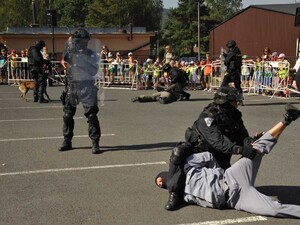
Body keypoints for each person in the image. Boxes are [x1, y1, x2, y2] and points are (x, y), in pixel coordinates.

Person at [156, 103, 300, 218]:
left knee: (256, 148)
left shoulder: (188, 165)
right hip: (235, 199)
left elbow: (209, 157)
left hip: (231, 177)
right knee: (274, 209)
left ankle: (286, 119)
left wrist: (219, 170)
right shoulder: (182, 196)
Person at [164, 86, 256, 211]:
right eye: (234, 100)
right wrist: (239, 150)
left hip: (217, 157)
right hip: (198, 154)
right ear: (224, 101)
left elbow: (242, 136)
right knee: (178, 152)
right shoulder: (208, 116)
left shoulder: (234, 115)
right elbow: (218, 142)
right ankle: (175, 194)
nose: (237, 103)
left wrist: (250, 142)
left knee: (228, 191)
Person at [58, 28, 102, 154]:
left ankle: (95, 142)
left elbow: (94, 70)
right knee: (67, 115)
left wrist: (83, 61)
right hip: (73, 86)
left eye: (85, 41)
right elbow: (65, 56)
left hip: (87, 86)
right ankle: (67, 140)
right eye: (80, 41)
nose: (83, 43)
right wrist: (71, 41)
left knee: (92, 116)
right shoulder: (71, 52)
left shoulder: (91, 54)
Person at [221, 40, 244, 106]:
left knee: (223, 85)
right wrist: (226, 55)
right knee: (238, 86)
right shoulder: (237, 51)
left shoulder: (232, 52)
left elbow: (226, 62)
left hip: (231, 71)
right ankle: (240, 100)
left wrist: (224, 57)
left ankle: (222, 98)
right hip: (237, 71)